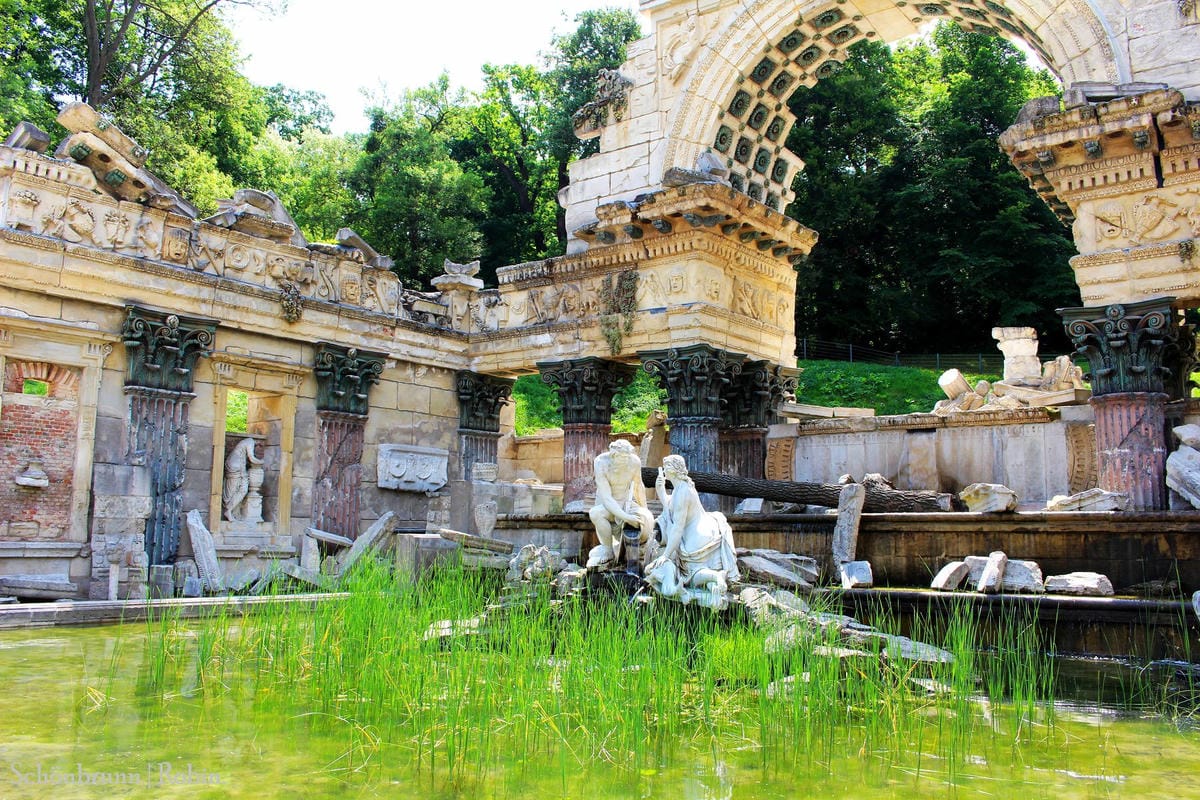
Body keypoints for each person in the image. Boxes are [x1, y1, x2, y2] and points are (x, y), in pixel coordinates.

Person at [646, 454, 740, 608]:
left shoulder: (682, 492)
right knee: (694, 573)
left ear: (673, 470)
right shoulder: (683, 486)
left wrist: (665, 555)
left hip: (695, 539)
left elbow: (677, 528)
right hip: (704, 530)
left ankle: (714, 578)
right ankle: (715, 580)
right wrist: (661, 491)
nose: (663, 470)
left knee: (690, 574)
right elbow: (672, 507)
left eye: (666, 467)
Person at [588, 440, 655, 565]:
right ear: (613, 456)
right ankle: (608, 550)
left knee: (645, 517)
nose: (626, 460)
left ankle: (634, 552)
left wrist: (645, 510)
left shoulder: (634, 462)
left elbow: (638, 487)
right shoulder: (601, 463)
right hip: (606, 505)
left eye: (627, 457)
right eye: (622, 457)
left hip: (626, 503)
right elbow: (607, 498)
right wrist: (626, 517)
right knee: (595, 513)